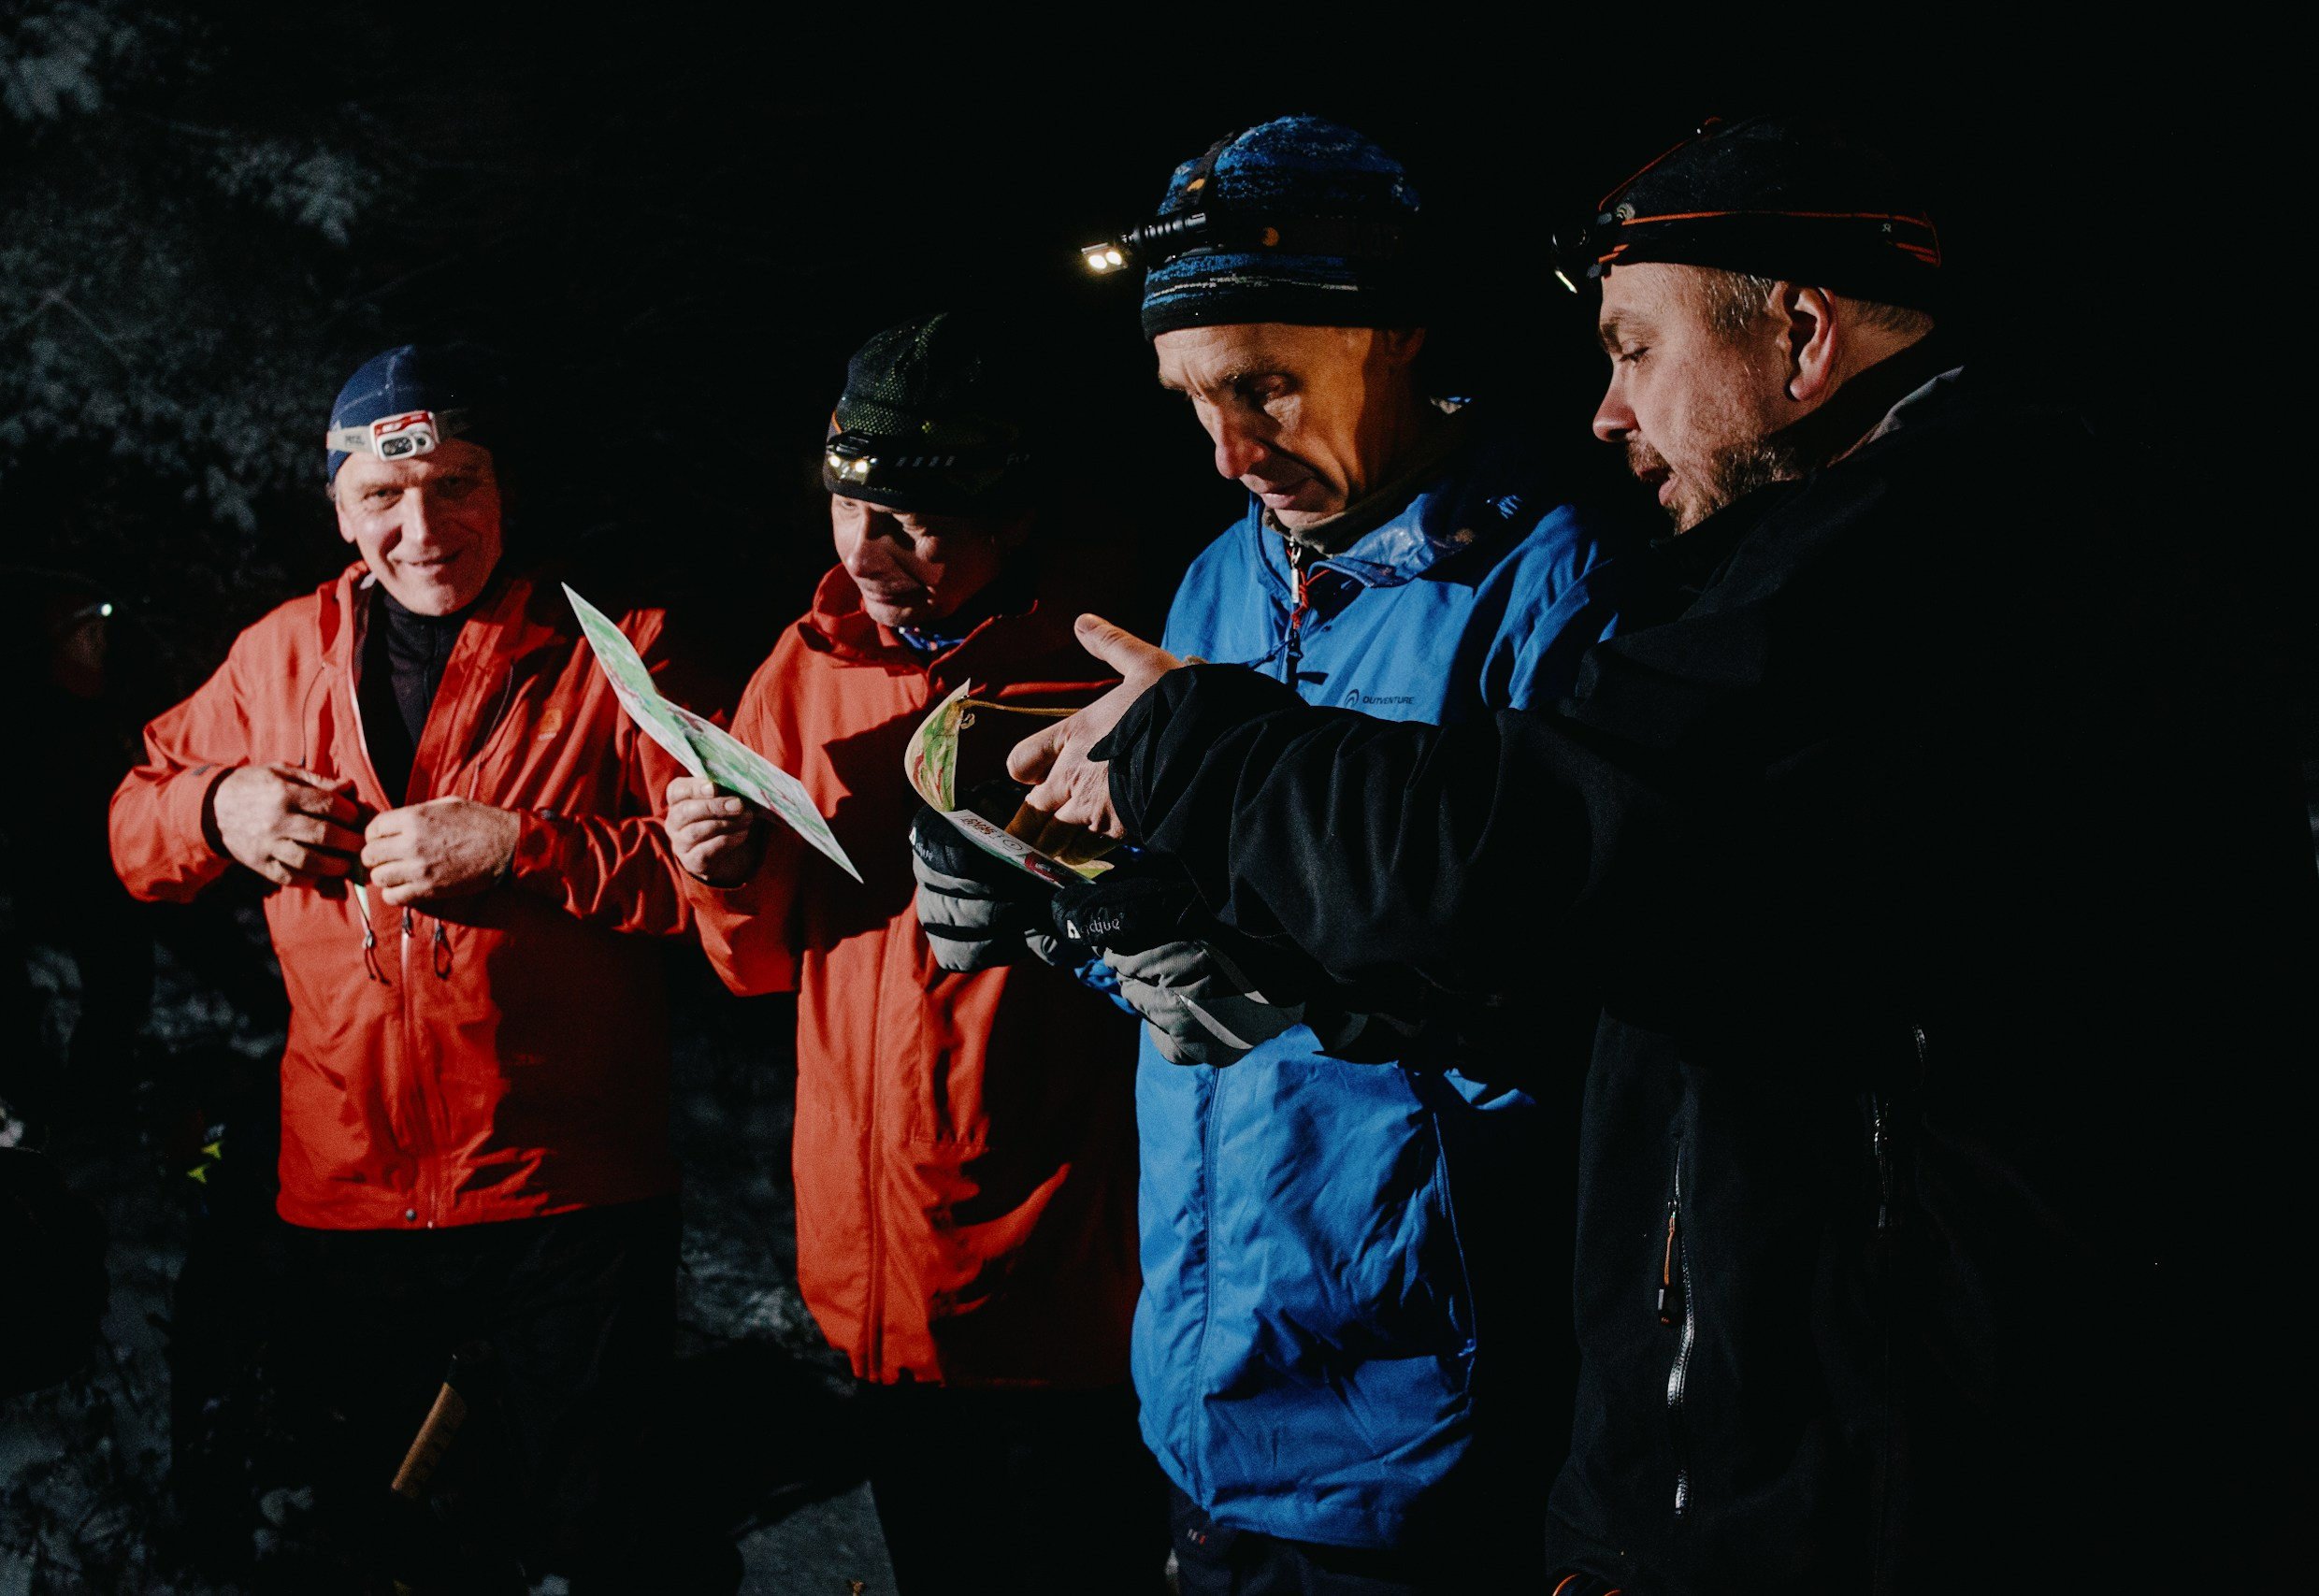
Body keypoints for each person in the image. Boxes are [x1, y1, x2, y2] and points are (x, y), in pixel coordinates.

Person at [1010, 117, 2319, 1594]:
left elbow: (1530, 877)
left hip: (1900, 1496)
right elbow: (1654, 956)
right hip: (1735, 1455)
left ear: (1805, 335)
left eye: (1635, 351)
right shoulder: (1901, 546)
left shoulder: (1912, 572)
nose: (1606, 414)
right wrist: (1142, 923)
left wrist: (1210, 754)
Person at [924, 118, 1627, 1592]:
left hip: (1421, 1409)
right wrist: (1067, 908)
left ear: (1402, 338)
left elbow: (1573, 989)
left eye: (1269, 385)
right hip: (1205, 1376)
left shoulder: (1550, 582)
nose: (1233, 451)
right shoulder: (1213, 580)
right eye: (1192, 399)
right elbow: (1197, 972)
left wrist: (1273, 973)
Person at [108, 344, 722, 1592]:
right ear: (340, 506)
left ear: (504, 490)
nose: (424, 524)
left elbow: (731, 893)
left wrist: (527, 846)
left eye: (458, 483)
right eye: (384, 496)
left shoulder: (623, 651)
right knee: (390, 1545)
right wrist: (217, 809)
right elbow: (135, 822)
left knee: (599, 1548)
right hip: (349, 1199)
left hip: (570, 1202)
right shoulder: (279, 655)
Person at [656, 312, 1163, 1594]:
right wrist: (720, 868)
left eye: (913, 523)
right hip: (873, 1268)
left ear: (1011, 515)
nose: (867, 553)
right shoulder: (805, 664)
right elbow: (756, 966)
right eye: (847, 508)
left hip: (1062, 1286)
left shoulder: (1090, 668)